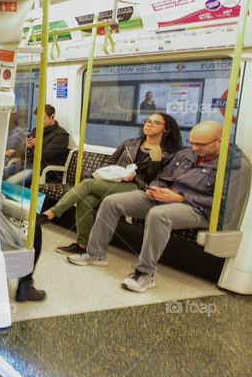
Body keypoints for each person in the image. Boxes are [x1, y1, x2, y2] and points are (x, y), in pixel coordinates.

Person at [68, 121, 250, 292]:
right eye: (192, 142)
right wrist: (155, 188)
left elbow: (224, 203)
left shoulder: (236, 166)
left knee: (158, 215)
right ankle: (95, 254)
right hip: (164, 197)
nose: (194, 148)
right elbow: (163, 175)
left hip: (197, 209)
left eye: (200, 145)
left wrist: (180, 197)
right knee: (112, 202)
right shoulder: (187, 154)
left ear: (220, 141)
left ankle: (145, 273)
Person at [38, 113, 181, 255]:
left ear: (165, 129)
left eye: (156, 123)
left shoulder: (168, 153)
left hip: (137, 187)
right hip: (116, 181)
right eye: (148, 121)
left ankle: (51, 213)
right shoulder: (130, 143)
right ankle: (83, 244)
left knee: (88, 184)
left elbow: (155, 180)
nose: (149, 124)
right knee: (86, 199)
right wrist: (110, 172)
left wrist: (156, 163)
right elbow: (110, 162)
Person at [5, 104, 70, 187]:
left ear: (52, 117)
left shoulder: (61, 135)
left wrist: (33, 147)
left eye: (42, 119)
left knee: (10, 182)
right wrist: (27, 146)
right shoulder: (36, 131)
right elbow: (25, 153)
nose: (39, 123)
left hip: (43, 170)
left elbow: (45, 155)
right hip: (26, 164)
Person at [2, 111, 28, 178]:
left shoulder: (17, 134)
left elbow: (13, 152)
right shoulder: (7, 132)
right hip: (6, 161)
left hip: (12, 162)